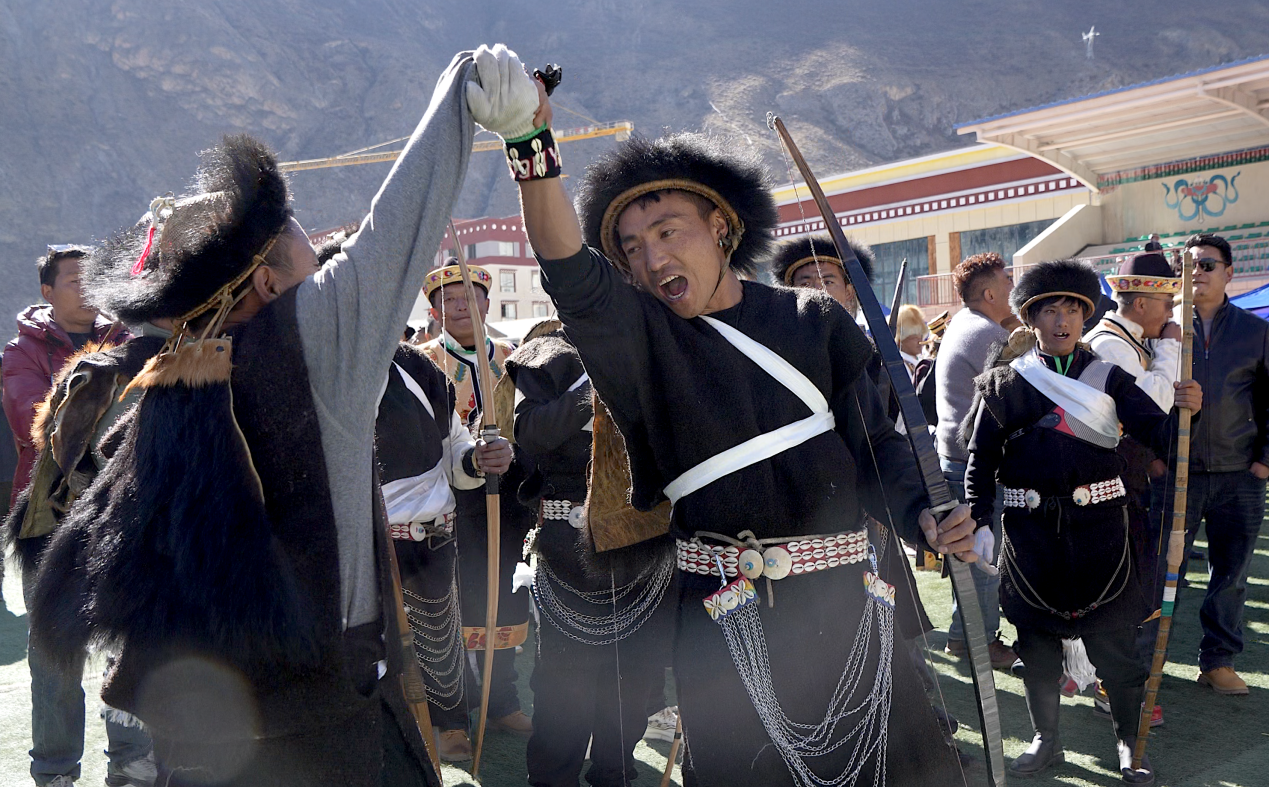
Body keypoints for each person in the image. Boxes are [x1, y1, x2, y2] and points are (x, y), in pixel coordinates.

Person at [466, 44, 975, 785]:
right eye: (632, 248)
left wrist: (925, 512)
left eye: (667, 231)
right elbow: (567, 267)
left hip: (846, 609)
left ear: (721, 228)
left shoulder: (814, 322)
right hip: (722, 622)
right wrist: (528, 145)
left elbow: (877, 449)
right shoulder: (640, 342)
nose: (650, 259)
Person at [26, 50, 479, 787]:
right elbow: (400, 223)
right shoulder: (307, 341)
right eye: (303, 243)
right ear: (267, 281)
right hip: (324, 724)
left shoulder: (166, 376)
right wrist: (463, 86)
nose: (321, 257)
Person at [962, 258, 1201, 784]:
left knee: (1115, 649)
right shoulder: (1003, 383)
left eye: (1073, 309)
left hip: (1102, 536)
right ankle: (1046, 739)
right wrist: (979, 520)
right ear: (1031, 319)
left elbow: (1161, 436)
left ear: (1085, 316)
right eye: (1050, 310)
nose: (1062, 320)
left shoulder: (1109, 377)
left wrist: (1189, 410)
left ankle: (1127, 745)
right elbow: (980, 460)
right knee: (1036, 649)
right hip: (1030, 540)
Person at [506, 321, 675, 787]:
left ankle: (615, 774)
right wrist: (597, 383)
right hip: (569, 550)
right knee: (564, 686)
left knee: (631, 682)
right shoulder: (545, 354)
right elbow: (532, 432)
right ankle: (552, 779)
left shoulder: (653, 345)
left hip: (645, 545)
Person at [2, 245, 146, 787]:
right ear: (47, 292)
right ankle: (56, 771)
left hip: (120, 511)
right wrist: (107, 393)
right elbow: (35, 424)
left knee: (128, 645)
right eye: (73, 282)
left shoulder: (128, 340)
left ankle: (131, 763)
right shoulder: (20, 353)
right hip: (50, 517)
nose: (87, 291)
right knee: (55, 657)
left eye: (93, 280)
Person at [376, 337, 511, 763]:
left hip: (433, 536)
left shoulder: (419, 367)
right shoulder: (332, 364)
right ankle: (387, 732)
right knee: (376, 648)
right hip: (373, 538)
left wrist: (479, 458)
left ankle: (451, 724)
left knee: (440, 640)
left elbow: (453, 446)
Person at [419, 262, 537, 737]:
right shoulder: (422, 362)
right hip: (448, 502)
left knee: (502, 595)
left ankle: (501, 700)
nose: (460, 306)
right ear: (434, 311)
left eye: (469, 297)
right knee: (450, 599)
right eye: (448, 300)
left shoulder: (516, 357)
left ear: (488, 304)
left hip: (507, 501)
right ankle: (450, 713)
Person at [1168, 233, 1269, 696]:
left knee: (1230, 576)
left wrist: (1263, 461)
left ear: (1229, 272)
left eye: (1207, 265)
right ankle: (1144, 665)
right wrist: (1156, 461)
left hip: (1239, 475)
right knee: (1164, 572)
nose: (1197, 273)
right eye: (1188, 266)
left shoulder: (1255, 330)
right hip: (1177, 473)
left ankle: (1218, 661)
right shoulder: (1164, 329)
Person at [1084, 251, 1182, 726]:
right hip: (1105, 483)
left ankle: (1108, 679)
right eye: (1166, 304)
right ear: (1142, 303)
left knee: (1126, 583)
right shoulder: (1111, 345)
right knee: (1117, 587)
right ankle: (1110, 686)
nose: (1170, 314)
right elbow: (1151, 403)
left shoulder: (1128, 341)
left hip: (1122, 479)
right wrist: (1171, 350)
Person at [934, 252, 1017, 669]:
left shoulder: (964, 324)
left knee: (970, 555)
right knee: (983, 558)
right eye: (1006, 280)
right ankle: (979, 642)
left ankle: (962, 636)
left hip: (955, 458)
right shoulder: (988, 334)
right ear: (989, 294)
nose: (1012, 285)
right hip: (973, 463)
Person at [896, 304, 929, 381]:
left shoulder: (916, 361)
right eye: (914, 337)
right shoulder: (901, 365)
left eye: (921, 336)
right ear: (901, 340)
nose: (920, 341)